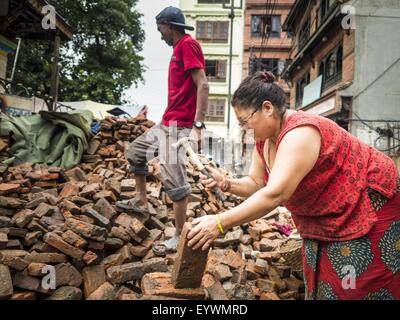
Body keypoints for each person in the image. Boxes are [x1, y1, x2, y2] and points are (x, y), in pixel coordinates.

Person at [187, 71, 400, 300]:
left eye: (244, 122)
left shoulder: (300, 132)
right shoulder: (265, 140)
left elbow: (275, 194)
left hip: (369, 206)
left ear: (267, 108)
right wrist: (227, 183)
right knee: (322, 284)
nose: (244, 129)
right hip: (327, 217)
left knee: (357, 286)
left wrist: (219, 223)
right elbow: (257, 183)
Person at [119, 6, 209, 252]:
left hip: (178, 127)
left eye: (161, 29)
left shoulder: (188, 45)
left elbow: (203, 84)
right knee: (135, 153)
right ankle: (141, 200)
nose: (160, 35)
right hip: (166, 123)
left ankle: (180, 236)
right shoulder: (177, 50)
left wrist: (198, 125)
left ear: (170, 25)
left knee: (175, 184)